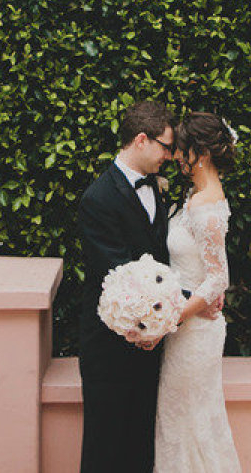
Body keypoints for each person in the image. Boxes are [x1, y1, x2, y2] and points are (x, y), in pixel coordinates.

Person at [77, 100, 179, 473]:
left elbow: (161, 260)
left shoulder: (157, 187)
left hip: (150, 344)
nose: (170, 156)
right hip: (109, 346)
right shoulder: (98, 198)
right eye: (166, 147)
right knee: (106, 447)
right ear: (141, 140)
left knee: (140, 444)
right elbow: (118, 273)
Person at [154, 111, 242, 473]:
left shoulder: (206, 209)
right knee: (180, 421)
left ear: (201, 153)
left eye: (182, 148)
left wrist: (172, 318)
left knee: (190, 422)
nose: (176, 155)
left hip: (194, 333)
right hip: (187, 326)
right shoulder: (196, 196)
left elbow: (218, 279)